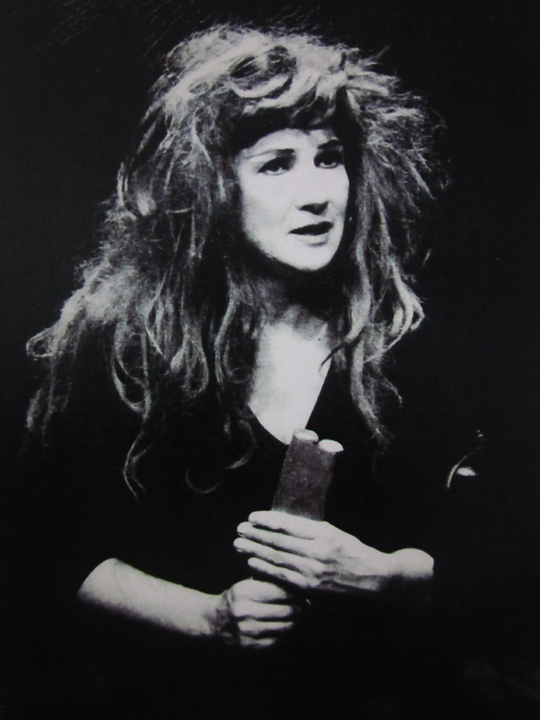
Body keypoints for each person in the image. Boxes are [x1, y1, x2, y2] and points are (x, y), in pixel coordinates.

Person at [7, 22, 460, 720]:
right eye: (276, 165)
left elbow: (500, 560)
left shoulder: (406, 338)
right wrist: (208, 619)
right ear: (212, 186)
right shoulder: (127, 344)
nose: (318, 194)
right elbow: (46, 550)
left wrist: (387, 578)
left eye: (330, 158)